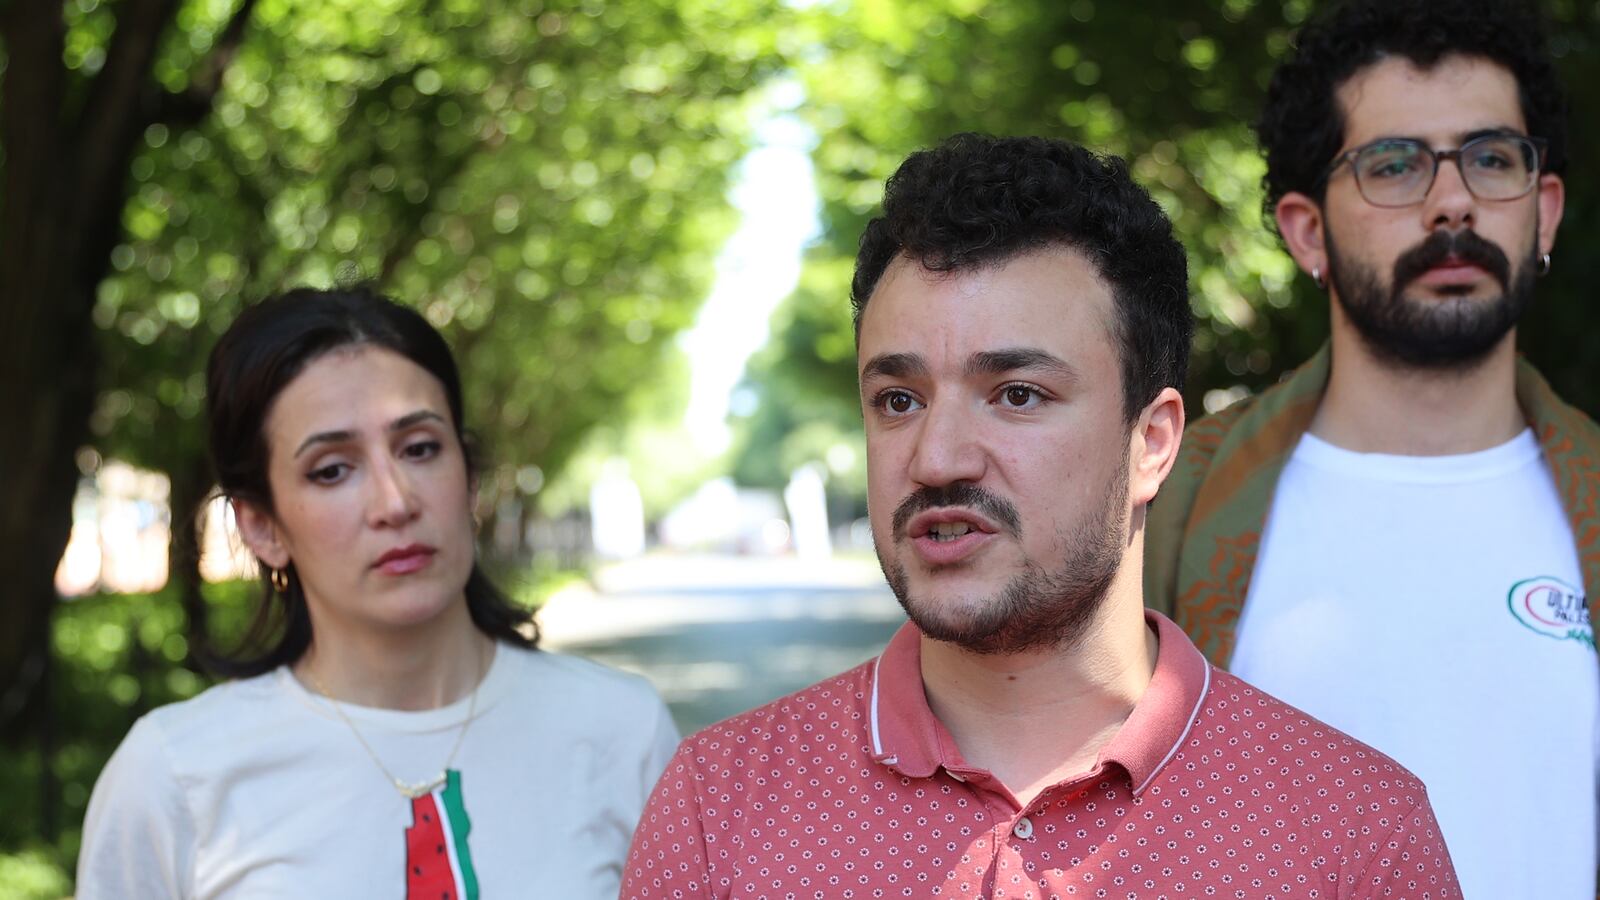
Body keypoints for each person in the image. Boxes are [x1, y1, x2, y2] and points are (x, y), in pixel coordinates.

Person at [623, 134, 1459, 898]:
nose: (937, 458)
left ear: (1152, 443)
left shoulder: (1355, 835)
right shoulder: (718, 808)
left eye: (1017, 394)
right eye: (899, 399)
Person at [1143, 1, 1599, 896]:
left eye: (1491, 159)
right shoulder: (1166, 511)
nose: (1453, 202)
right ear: (1307, 231)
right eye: (1394, 165)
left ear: (1544, 214)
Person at [77, 285, 679, 899]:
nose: (395, 501)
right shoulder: (174, 776)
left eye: (420, 449)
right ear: (261, 526)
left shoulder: (623, 730)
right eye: (332, 470)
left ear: (470, 479)